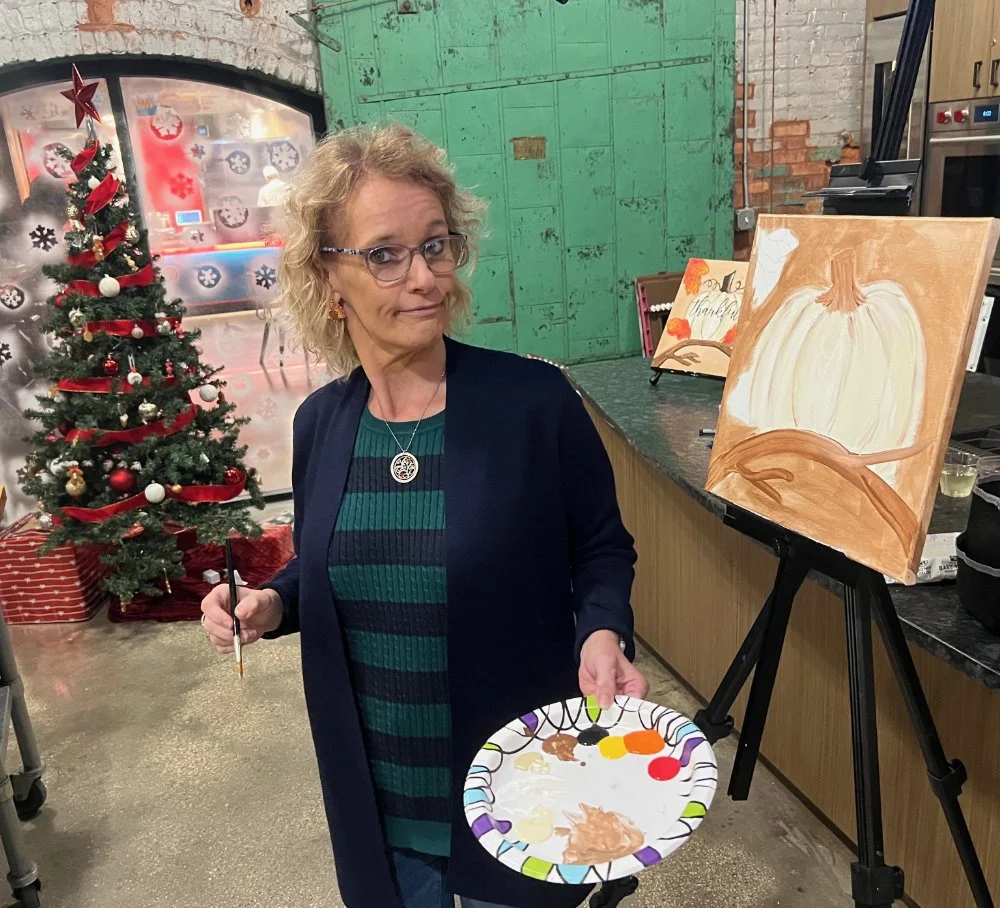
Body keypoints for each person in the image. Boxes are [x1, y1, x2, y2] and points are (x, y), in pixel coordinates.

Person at [200, 122, 647, 908]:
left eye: (436, 246)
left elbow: (601, 547)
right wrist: (272, 602)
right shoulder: (324, 427)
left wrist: (603, 631)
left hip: (517, 790)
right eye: (385, 253)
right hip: (378, 801)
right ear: (328, 277)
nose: (425, 278)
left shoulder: (533, 405)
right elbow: (326, 563)